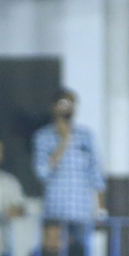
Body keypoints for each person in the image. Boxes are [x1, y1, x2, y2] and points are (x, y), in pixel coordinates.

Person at [32, 88, 105, 223]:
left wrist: (101, 210)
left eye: (71, 103)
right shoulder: (43, 137)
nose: (68, 107)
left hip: (82, 212)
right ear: (55, 107)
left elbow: (96, 174)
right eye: (64, 103)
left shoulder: (86, 136)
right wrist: (64, 141)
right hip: (55, 211)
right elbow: (42, 173)